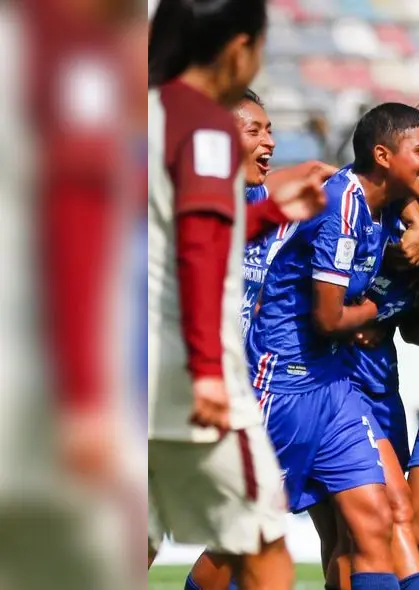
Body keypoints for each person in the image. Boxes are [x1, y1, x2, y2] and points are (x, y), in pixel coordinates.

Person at [146, 1, 326, 589]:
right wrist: (204, 371)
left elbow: (186, 229)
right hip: (182, 367)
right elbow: (198, 250)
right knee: (263, 548)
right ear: (238, 49)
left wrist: (270, 212)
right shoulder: (207, 126)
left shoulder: (146, 115)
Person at [245, 102, 419, 590]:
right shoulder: (341, 207)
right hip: (282, 381)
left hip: (334, 383)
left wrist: (415, 217)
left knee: (380, 518)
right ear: (383, 155)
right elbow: (330, 319)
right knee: (245, 540)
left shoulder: (382, 199)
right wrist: (384, 305)